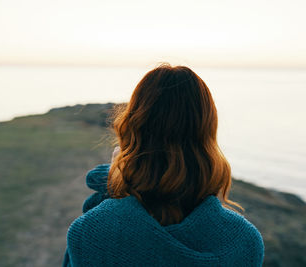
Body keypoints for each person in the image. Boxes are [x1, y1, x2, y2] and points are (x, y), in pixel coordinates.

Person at [63, 64, 264, 266]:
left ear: (132, 130)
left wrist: (119, 179)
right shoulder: (245, 243)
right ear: (207, 135)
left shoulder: (90, 233)